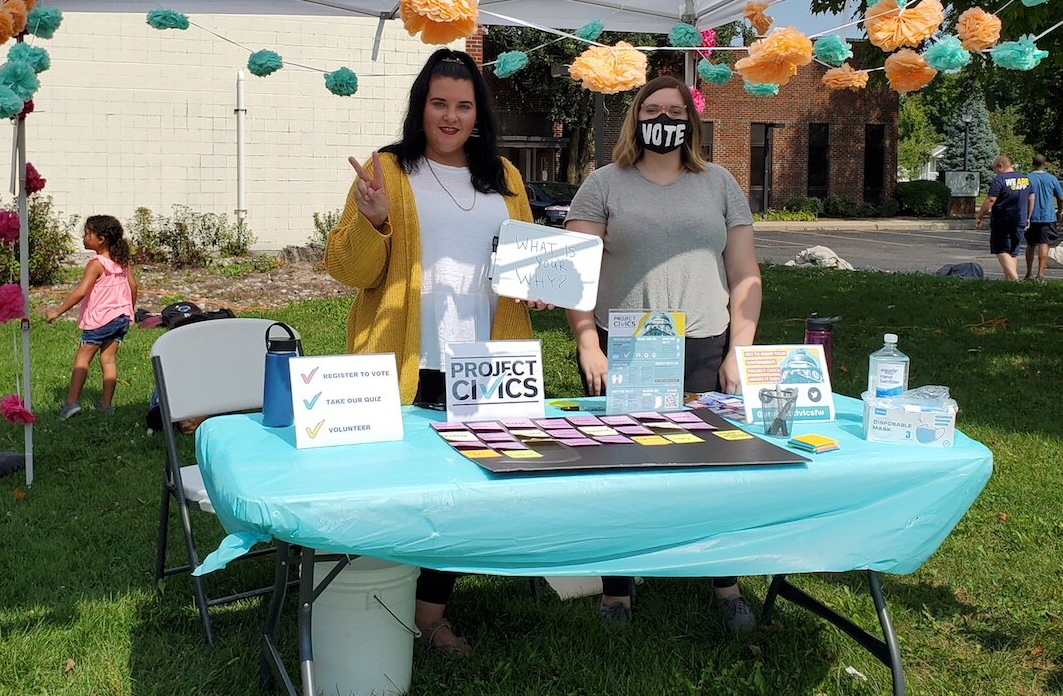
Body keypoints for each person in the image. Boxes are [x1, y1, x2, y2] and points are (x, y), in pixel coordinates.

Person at [323, 47, 540, 657]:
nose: (450, 116)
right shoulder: (386, 170)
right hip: (406, 361)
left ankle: (429, 613)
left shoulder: (504, 177)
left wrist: (538, 288)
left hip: (488, 363)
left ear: (478, 114)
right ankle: (377, 596)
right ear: (420, 108)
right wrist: (375, 224)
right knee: (402, 485)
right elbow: (348, 270)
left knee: (469, 490)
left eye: (463, 106)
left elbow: (521, 271)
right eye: (439, 103)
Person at [565, 75, 762, 634]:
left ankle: (723, 580)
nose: (665, 119)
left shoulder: (720, 183)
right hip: (623, 345)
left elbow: (745, 274)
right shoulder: (604, 183)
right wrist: (586, 341)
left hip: (705, 343)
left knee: (714, 468)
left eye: (676, 111)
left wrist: (738, 351)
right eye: (654, 109)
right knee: (620, 467)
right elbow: (574, 274)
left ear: (691, 122)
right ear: (635, 118)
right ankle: (618, 590)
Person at [45, 215, 138, 417]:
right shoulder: (122, 261)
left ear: (101, 239)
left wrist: (57, 311)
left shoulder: (97, 263)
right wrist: (129, 310)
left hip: (100, 320)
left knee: (82, 359)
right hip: (121, 317)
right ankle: (106, 406)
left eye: (87, 233)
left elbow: (81, 291)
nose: (84, 237)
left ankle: (71, 404)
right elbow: (133, 286)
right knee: (108, 359)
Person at [974, 156, 1032, 280]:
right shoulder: (1025, 179)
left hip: (1002, 220)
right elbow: (1031, 197)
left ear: (1000, 166)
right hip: (1020, 219)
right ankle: (1008, 282)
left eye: (995, 168)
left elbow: (990, 199)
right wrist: (1028, 216)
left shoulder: (999, 180)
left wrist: (979, 216)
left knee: (1001, 250)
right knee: (1012, 252)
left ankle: (1014, 279)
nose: (995, 171)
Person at [1023, 154, 1063, 281]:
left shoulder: (1027, 178)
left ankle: (1028, 273)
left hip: (1030, 216)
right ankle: (1040, 274)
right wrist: (1060, 211)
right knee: (1044, 243)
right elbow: (1060, 197)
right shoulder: (1051, 179)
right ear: (1045, 164)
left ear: (1033, 163)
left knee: (1030, 244)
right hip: (1047, 216)